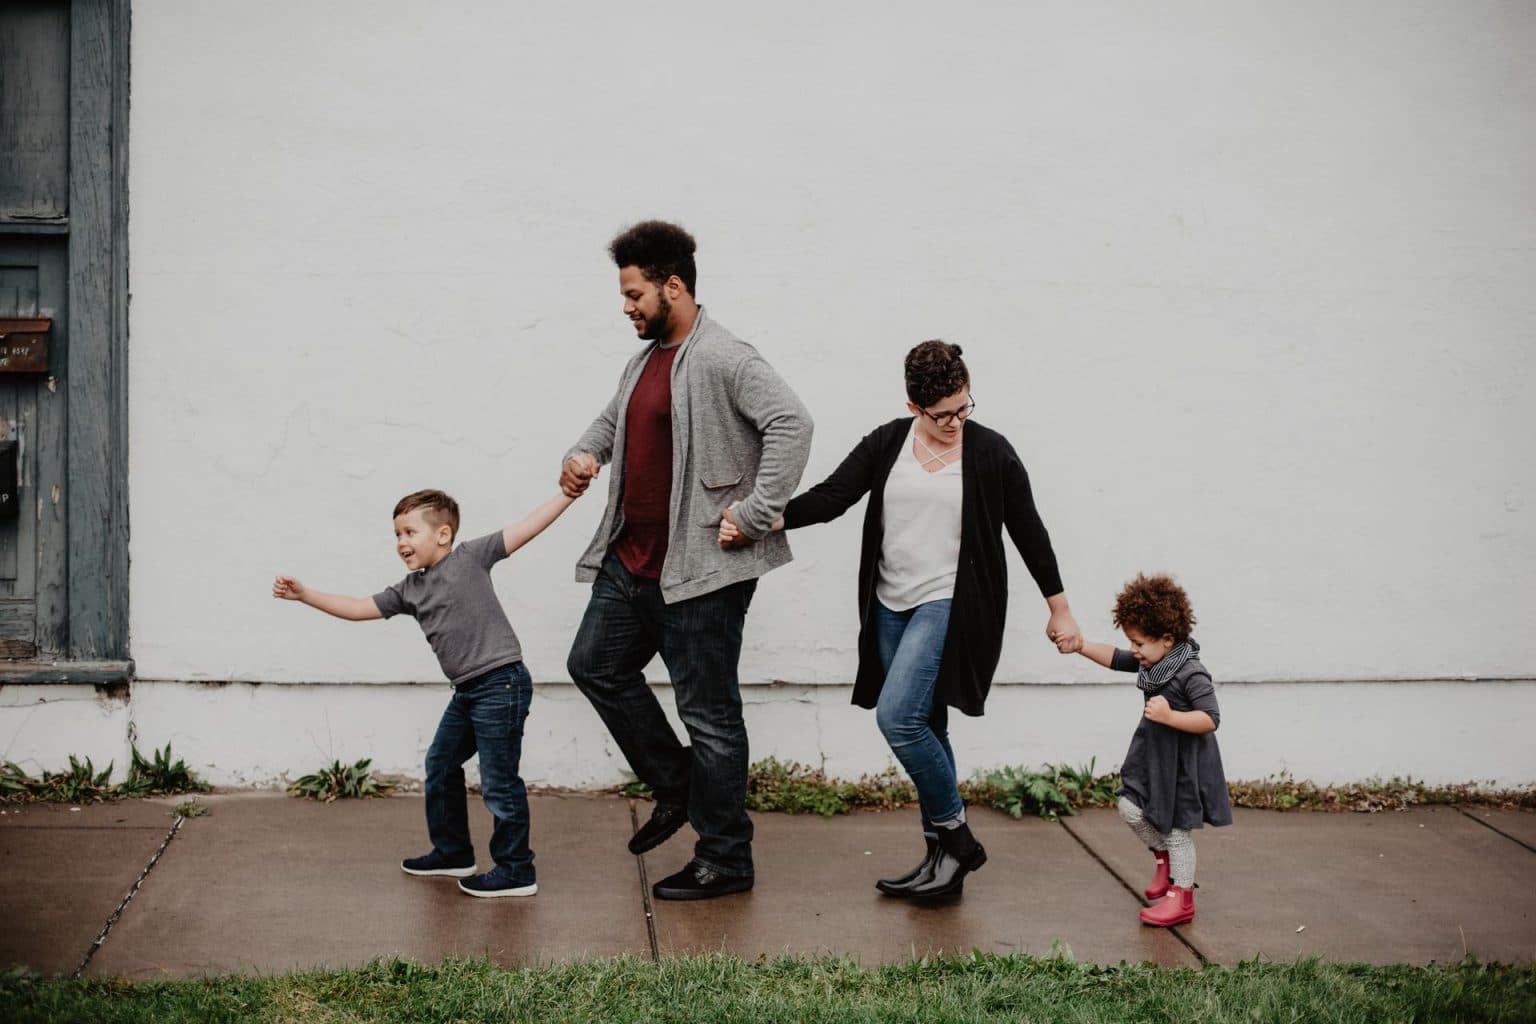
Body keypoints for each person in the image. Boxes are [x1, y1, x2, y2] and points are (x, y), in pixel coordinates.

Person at [720, 340, 1081, 898]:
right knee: (928, 725)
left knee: (899, 719)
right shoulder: (890, 441)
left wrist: (1059, 608)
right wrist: (762, 520)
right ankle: (942, 863)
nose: (956, 422)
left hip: (949, 603)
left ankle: (958, 839)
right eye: (942, 415)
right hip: (889, 605)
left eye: (964, 408)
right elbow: (833, 497)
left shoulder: (991, 453)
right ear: (914, 407)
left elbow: (1029, 530)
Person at [561, 220, 813, 901]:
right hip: (632, 562)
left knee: (710, 716)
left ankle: (726, 857)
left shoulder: (725, 357)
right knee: (593, 665)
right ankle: (678, 789)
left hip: (700, 572)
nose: (626, 306)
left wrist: (755, 513)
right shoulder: (645, 360)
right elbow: (614, 421)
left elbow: (794, 423)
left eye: (635, 293)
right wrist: (583, 454)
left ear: (674, 286)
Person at [273, 487, 574, 898]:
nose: (401, 543)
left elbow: (526, 528)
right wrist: (305, 595)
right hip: (467, 691)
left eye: (410, 532)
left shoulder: (471, 557)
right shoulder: (410, 590)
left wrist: (567, 495)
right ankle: (453, 852)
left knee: (499, 782)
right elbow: (360, 607)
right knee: (441, 763)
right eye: (397, 534)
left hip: (501, 684)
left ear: (443, 535)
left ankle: (516, 869)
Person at [1065, 572, 1231, 926]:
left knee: (1175, 829)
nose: (1134, 650)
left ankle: (1182, 897)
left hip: (1182, 763)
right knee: (1129, 806)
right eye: (1132, 642)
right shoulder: (1153, 662)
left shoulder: (1191, 673)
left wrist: (1170, 716)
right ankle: (1163, 859)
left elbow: (1211, 718)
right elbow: (1114, 657)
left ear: (1167, 639)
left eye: (1139, 643)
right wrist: (1080, 645)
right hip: (1153, 755)